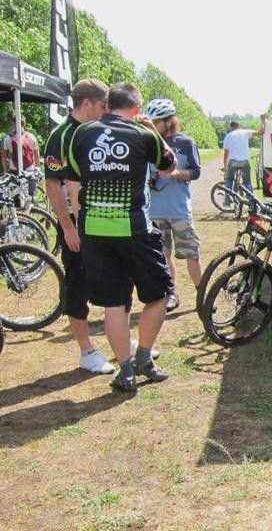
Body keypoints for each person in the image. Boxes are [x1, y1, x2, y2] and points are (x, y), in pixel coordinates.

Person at [66, 82, 177, 393]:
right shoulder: (142, 133)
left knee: (113, 304)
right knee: (160, 293)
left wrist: (78, 224)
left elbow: (74, 181)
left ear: (107, 104)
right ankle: (143, 357)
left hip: (94, 230)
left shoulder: (81, 133)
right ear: (137, 108)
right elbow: (169, 166)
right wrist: (152, 130)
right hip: (133, 228)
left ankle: (125, 371)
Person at [43, 78, 117, 373]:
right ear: (87, 103)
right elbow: (52, 185)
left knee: (114, 279)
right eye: (103, 106)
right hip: (76, 224)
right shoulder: (61, 136)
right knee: (79, 285)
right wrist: (68, 227)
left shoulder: (99, 131)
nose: (106, 111)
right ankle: (87, 352)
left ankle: (118, 339)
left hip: (102, 221)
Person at [144, 99, 202, 313]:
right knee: (163, 255)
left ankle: (202, 295)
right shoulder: (147, 140)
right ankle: (171, 294)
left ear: (169, 121)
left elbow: (196, 172)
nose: (152, 125)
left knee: (192, 254)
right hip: (154, 211)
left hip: (179, 211)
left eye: (156, 121)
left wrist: (175, 173)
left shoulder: (186, 142)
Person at [222, 118, 265, 203]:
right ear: (239, 126)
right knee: (247, 183)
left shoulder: (228, 136)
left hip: (233, 161)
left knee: (229, 179)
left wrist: (225, 166)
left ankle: (228, 199)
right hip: (245, 162)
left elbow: (226, 154)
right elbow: (261, 132)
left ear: (231, 127)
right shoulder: (245, 132)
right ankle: (251, 203)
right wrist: (263, 120)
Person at [2, 114, 41, 197]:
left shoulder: (7, 138)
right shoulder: (31, 137)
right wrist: (37, 168)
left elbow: (4, 157)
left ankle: (17, 203)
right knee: (31, 195)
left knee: (15, 195)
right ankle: (32, 200)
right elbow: (37, 155)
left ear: (13, 123)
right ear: (24, 123)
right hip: (29, 169)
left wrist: (6, 171)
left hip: (14, 169)